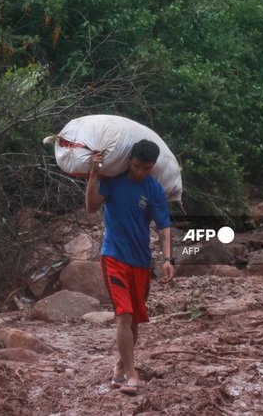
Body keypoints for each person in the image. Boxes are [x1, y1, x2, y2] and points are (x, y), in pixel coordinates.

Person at [85, 139, 175, 397]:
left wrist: (168, 259)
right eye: (136, 166)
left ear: (153, 166)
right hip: (113, 256)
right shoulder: (112, 180)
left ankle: (119, 367)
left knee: (134, 318)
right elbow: (91, 206)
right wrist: (93, 174)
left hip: (140, 261)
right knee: (124, 315)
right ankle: (133, 375)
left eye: (146, 168)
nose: (139, 172)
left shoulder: (154, 190)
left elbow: (163, 226)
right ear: (129, 161)